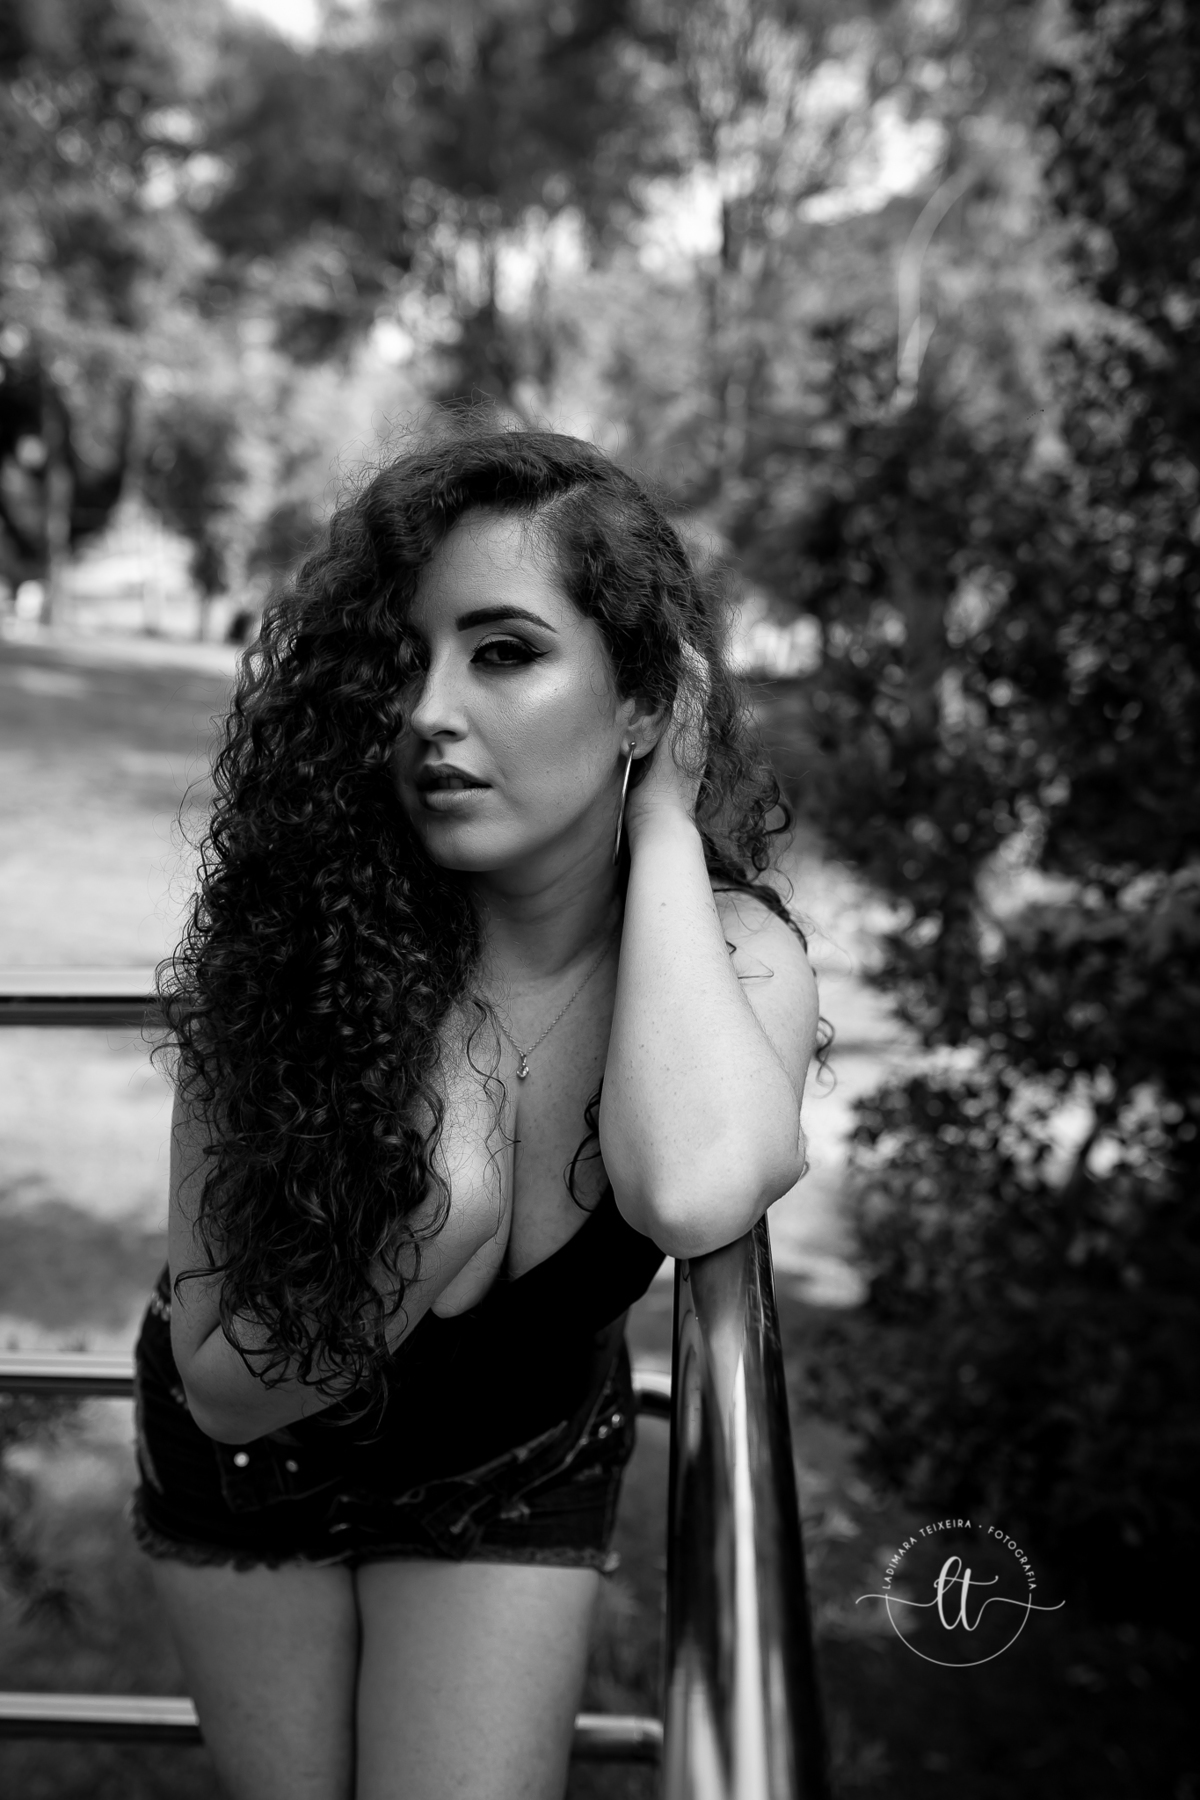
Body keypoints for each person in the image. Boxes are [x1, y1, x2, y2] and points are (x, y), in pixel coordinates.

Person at [131, 427, 820, 1800]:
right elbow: (224, 1383)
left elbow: (692, 1190)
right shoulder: (292, 952)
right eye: (403, 660)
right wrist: (438, 1205)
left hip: (512, 1471)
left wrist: (665, 827)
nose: (427, 712)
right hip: (254, 1466)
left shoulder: (728, 955)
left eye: (503, 652)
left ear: (641, 701)